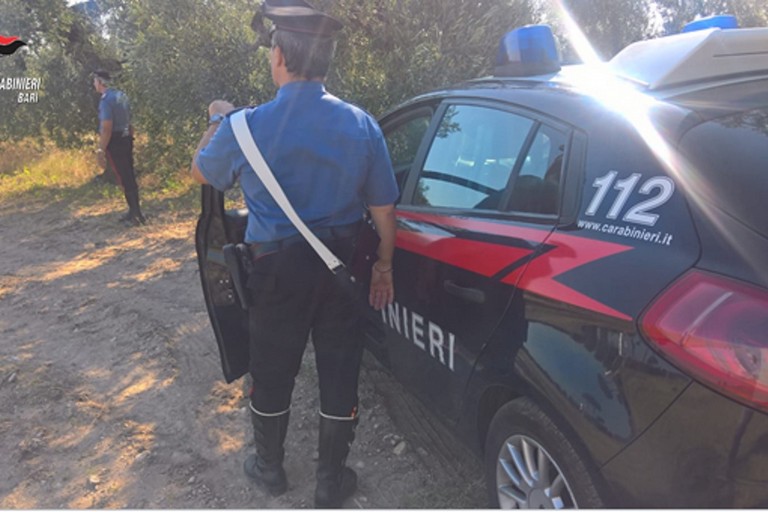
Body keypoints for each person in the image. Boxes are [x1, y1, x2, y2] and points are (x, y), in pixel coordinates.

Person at [189, 0, 398, 508]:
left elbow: (202, 171)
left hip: (275, 269)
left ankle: (269, 467)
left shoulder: (242, 127)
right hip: (344, 266)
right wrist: (385, 267)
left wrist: (218, 119)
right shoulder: (362, 124)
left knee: (273, 366)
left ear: (279, 54)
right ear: (323, 61)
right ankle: (331, 481)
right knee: (339, 366)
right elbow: (385, 209)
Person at [93, 70, 146, 226]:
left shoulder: (105, 101)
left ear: (100, 82)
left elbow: (107, 127)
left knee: (124, 176)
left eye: (95, 81)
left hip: (115, 141)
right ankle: (134, 211)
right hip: (126, 138)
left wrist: (101, 149)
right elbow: (130, 121)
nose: (94, 85)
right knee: (128, 173)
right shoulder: (122, 96)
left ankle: (136, 214)